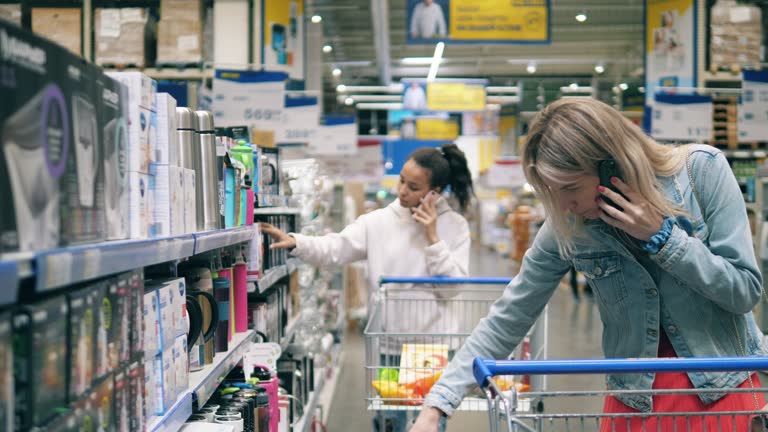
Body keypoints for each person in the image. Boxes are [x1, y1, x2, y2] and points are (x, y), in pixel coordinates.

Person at [411, 98, 767, 432]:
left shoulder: (701, 173)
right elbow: (510, 314)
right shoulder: (567, 227)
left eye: (569, 187)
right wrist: (437, 406)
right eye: (551, 192)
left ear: (612, 164)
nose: (564, 205)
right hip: (633, 403)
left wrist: (663, 237)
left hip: (722, 394)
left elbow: (743, 292)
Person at [260, 143, 474, 432]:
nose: (402, 191)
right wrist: (298, 242)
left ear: (435, 192)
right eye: (401, 181)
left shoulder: (455, 227)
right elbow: (336, 247)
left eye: (414, 187)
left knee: (430, 424)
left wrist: (432, 236)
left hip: (431, 348)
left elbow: (453, 288)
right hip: (387, 346)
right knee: (389, 424)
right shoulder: (379, 222)